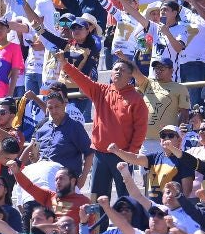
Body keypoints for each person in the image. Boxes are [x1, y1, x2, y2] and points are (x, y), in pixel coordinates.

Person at [56, 52, 148, 198]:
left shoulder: (137, 99)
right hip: (100, 154)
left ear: (130, 77)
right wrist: (65, 64)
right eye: (116, 69)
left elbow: (141, 130)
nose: (118, 72)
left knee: (125, 200)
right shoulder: (101, 90)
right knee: (97, 200)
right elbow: (82, 79)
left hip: (122, 155)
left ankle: (125, 222)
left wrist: (130, 155)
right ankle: (99, 222)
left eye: (123, 70)